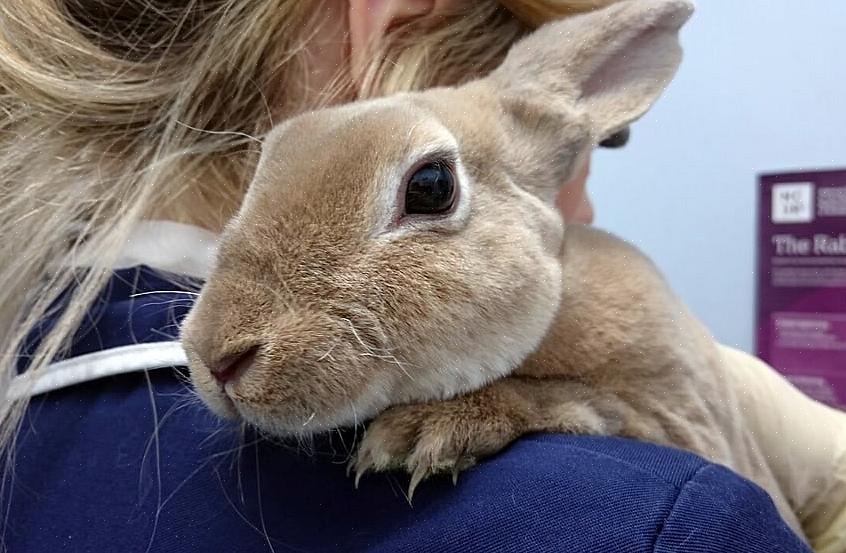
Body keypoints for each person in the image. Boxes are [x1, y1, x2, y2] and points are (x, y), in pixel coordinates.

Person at [0, 1, 839, 551]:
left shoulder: (30, 402)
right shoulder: (659, 521)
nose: (580, 213)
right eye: (599, 147)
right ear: (392, 27)